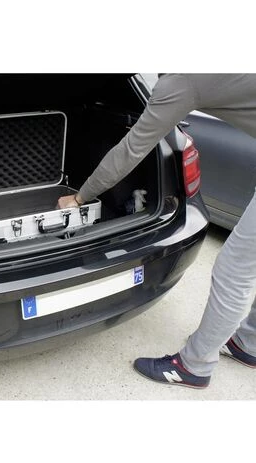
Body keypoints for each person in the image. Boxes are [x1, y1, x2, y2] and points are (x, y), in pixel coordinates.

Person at [58, 74, 256, 389]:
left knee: (234, 272)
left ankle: (195, 366)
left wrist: (80, 198)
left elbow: (130, 150)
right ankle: (249, 344)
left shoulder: (182, 79)